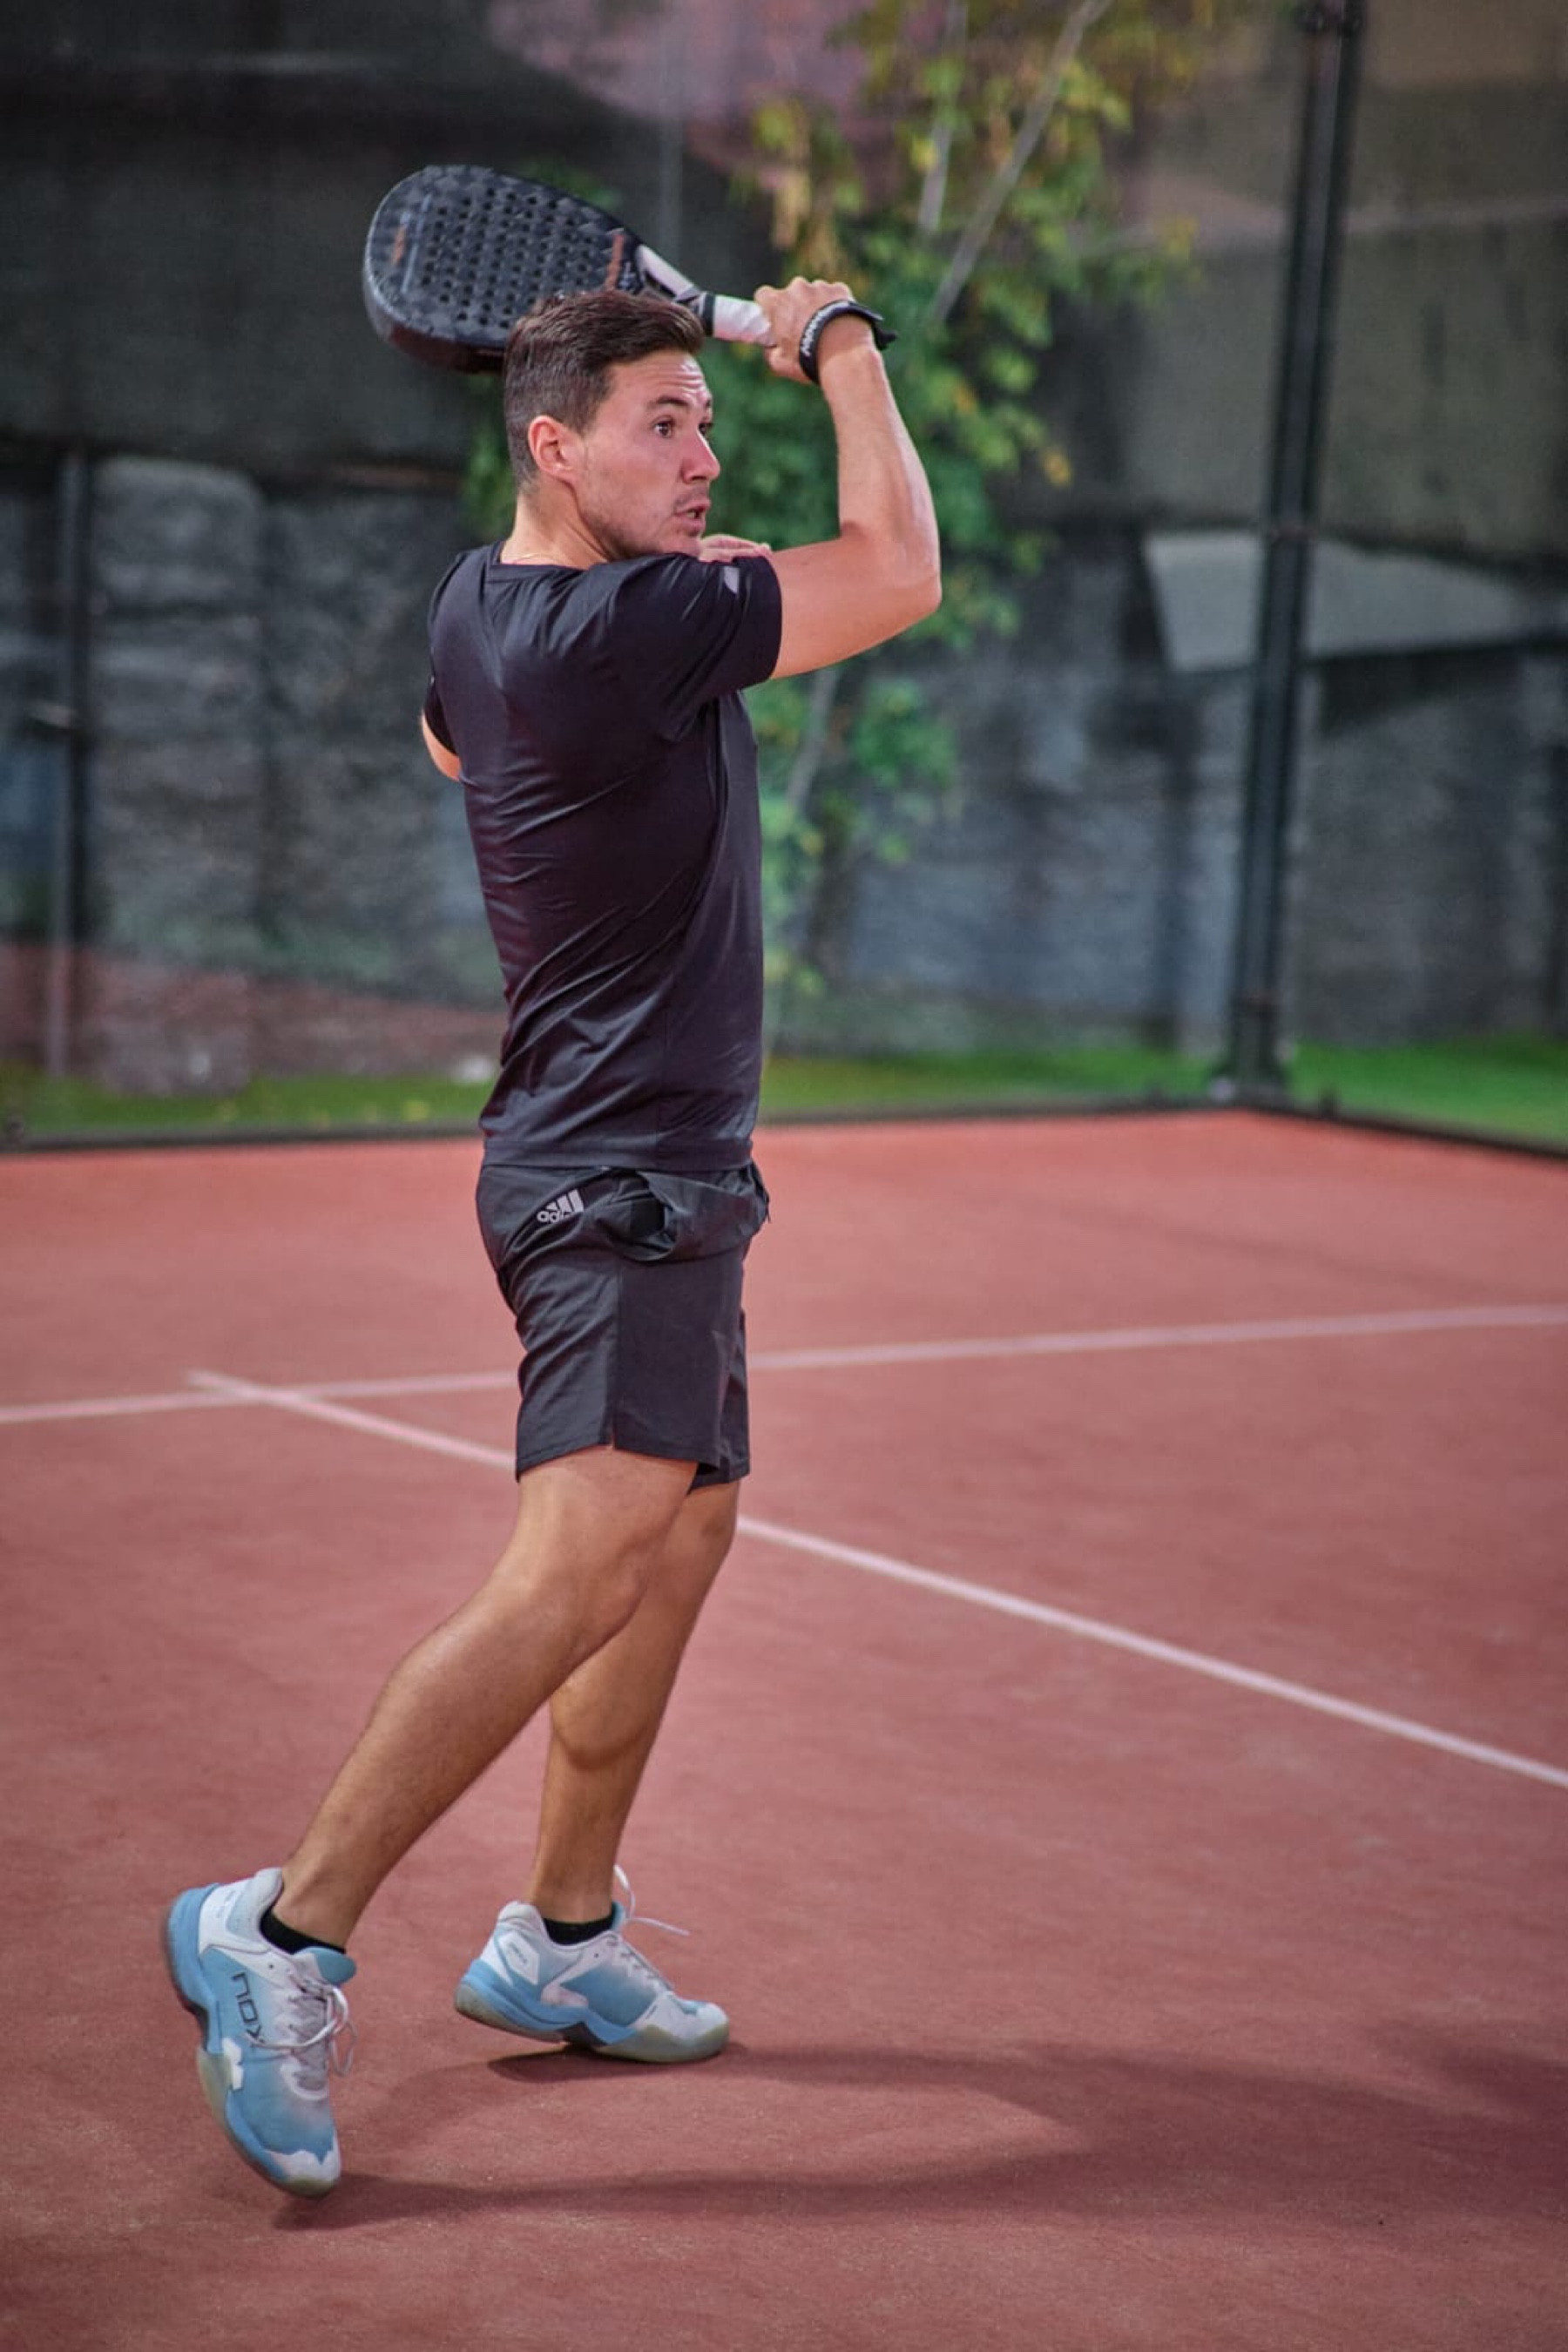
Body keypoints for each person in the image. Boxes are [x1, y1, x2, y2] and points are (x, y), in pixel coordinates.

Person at [164, 271, 940, 2197]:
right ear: (554, 446)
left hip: (647, 1166)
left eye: (706, 419)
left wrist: (677, 585)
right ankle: (279, 1933)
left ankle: (564, 1937)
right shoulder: (639, 628)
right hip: (618, 1182)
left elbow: (458, 746)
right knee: (574, 1568)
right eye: (662, 424)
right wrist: (841, 343)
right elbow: (901, 569)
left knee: (673, 1545)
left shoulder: (486, 608)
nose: (702, 454)